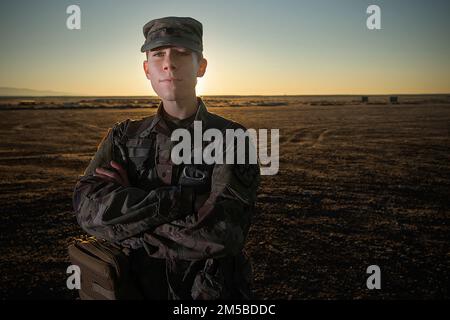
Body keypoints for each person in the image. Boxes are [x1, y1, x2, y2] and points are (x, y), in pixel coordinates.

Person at [72, 16, 260, 300]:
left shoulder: (232, 138)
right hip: (133, 287)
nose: (169, 64)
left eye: (182, 53)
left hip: (206, 292)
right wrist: (185, 202)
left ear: (202, 66)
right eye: (158, 55)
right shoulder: (123, 136)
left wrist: (126, 222)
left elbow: (222, 234)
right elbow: (87, 210)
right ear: (147, 69)